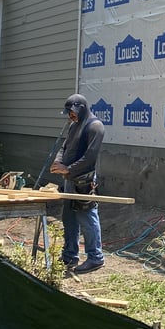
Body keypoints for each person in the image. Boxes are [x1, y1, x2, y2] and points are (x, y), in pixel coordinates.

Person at [49, 93, 106, 273]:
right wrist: (58, 162)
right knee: (69, 219)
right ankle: (69, 255)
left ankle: (95, 257)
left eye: (72, 112)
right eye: (69, 113)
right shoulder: (74, 125)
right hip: (70, 180)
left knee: (87, 218)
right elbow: (64, 147)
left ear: (81, 109)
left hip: (84, 181)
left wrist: (68, 169)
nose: (70, 116)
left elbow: (90, 157)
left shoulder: (95, 126)